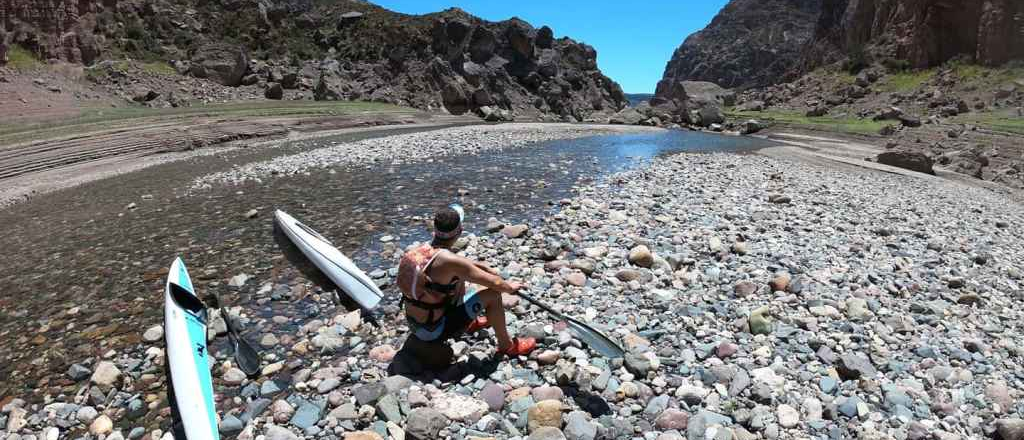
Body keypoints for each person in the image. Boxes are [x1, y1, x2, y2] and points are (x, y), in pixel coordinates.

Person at [396, 205, 536, 357]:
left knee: (458, 279)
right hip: (433, 331)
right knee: (494, 294)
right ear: (460, 231)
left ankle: (469, 323)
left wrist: (479, 266)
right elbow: (495, 283)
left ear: (435, 229)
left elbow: (455, 265)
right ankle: (507, 346)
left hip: (416, 324)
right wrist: (510, 287)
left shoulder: (420, 251)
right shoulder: (451, 262)